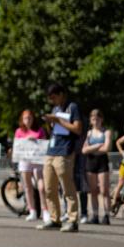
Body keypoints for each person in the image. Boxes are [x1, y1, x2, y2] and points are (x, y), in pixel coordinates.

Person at [38, 83, 83, 232]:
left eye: (54, 97)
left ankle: (72, 220)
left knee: (67, 187)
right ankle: (54, 219)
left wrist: (59, 121)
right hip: (52, 149)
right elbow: (53, 131)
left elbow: (77, 129)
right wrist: (49, 123)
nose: (52, 101)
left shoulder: (73, 107)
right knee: (49, 188)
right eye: (50, 98)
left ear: (62, 94)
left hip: (65, 151)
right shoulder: (55, 109)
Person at [13, 110, 47, 222]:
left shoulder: (39, 130)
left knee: (41, 187)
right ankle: (32, 210)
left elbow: (44, 145)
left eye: (30, 118)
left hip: (37, 160)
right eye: (25, 118)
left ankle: (45, 209)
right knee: (27, 187)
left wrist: (35, 141)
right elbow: (17, 146)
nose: (28, 120)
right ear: (22, 120)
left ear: (33, 119)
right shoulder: (19, 131)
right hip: (25, 160)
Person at [82, 109, 113, 225]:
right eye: (93, 119)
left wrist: (92, 148)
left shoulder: (106, 132)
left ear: (102, 119)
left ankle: (106, 214)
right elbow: (84, 150)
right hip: (91, 162)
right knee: (93, 191)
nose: (96, 121)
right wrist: (97, 146)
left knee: (104, 190)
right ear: (91, 120)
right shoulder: (89, 133)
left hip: (102, 162)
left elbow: (107, 148)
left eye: (98, 119)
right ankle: (95, 214)